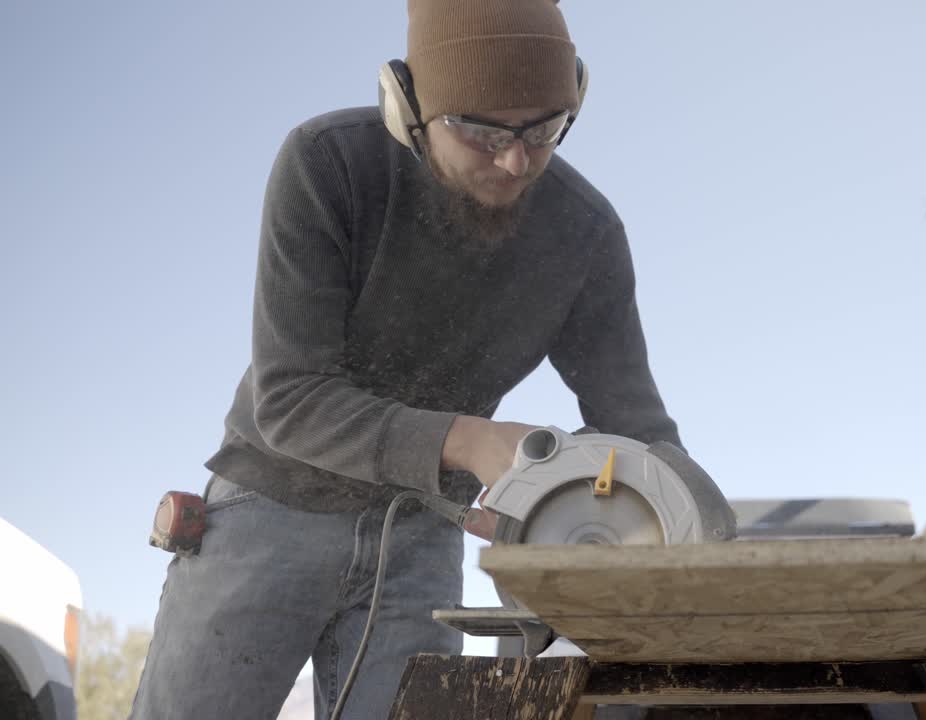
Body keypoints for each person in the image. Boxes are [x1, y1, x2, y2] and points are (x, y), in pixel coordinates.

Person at [129, 0, 681, 717]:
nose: (516, 160)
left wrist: (680, 528)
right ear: (407, 108)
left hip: (421, 536)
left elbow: (638, 426)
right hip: (272, 505)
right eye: (482, 131)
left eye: (544, 129)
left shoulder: (587, 235)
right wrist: (472, 441)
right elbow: (292, 398)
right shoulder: (329, 164)